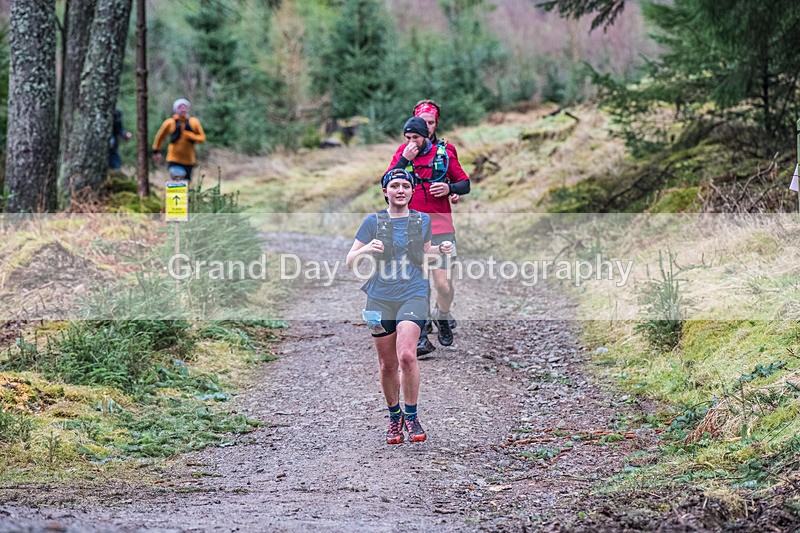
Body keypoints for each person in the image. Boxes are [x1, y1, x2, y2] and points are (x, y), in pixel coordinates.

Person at [346, 169, 453, 444]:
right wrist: (366, 249)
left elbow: (423, 250)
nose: (401, 190)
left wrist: (439, 251)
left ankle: (412, 414)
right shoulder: (373, 222)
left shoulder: (421, 220)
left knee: (407, 355)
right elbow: (350, 261)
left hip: (414, 293)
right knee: (387, 364)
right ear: (385, 191)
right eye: (395, 185)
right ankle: (395, 417)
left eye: (406, 185)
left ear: (413, 191)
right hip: (379, 298)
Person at [387, 106, 470, 356]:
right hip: (412, 229)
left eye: (416, 138)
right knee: (416, 284)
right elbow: (387, 183)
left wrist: (449, 188)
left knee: (443, 286)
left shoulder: (443, 154)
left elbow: (464, 183)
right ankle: (421, 337)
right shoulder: (403, 155)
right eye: (407, 138)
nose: (411, 143)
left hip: (442, 228)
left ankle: (442, 314)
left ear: (427, 133)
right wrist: (405, 160)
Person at [151, 98, 206, 180]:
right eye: (180, 107)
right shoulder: (170, 123)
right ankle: (174, 191)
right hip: (174, 158)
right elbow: (160, 137)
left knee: (185, 185)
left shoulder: (194, 122)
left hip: (189, 160)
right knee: (178, 179)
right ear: (175, 110)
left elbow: (202, 138)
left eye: (185, 107)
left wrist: (190, 136)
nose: (183, 109)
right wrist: (156, 150)